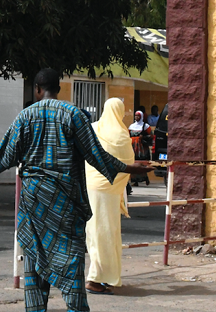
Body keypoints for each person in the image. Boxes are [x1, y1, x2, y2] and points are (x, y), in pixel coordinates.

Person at [0, 68, 149, 312]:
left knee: (35, 255)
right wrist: (130, 168)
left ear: (37, 89)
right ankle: (75, 307)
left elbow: (7, 155)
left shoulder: (25, 116)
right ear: (58, 88)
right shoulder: (74, 115)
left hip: (34, 201)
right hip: (65, 202)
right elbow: (96, 155)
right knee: (71, 259)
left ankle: (36, 308)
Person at [84, 98, 134, 295]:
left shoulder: (93, 129)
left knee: (95, 234)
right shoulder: (122, 134)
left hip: (90, 188)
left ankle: (103, 277)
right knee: (107, 234)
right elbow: (128, 163)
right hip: (110, 192)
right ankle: (94, 279)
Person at [128, 111, 152, 186]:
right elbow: (128, 135)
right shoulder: (131, 126)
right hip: (133, 148)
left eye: (138, 116)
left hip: (142, 149)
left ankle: (145, 178)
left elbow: (151, 136)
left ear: (141, 117)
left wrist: (143, 137)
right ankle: (135, 181)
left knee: (141, 163)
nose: (136, 117)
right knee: (133, 163)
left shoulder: (146, 126)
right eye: (135, 116)